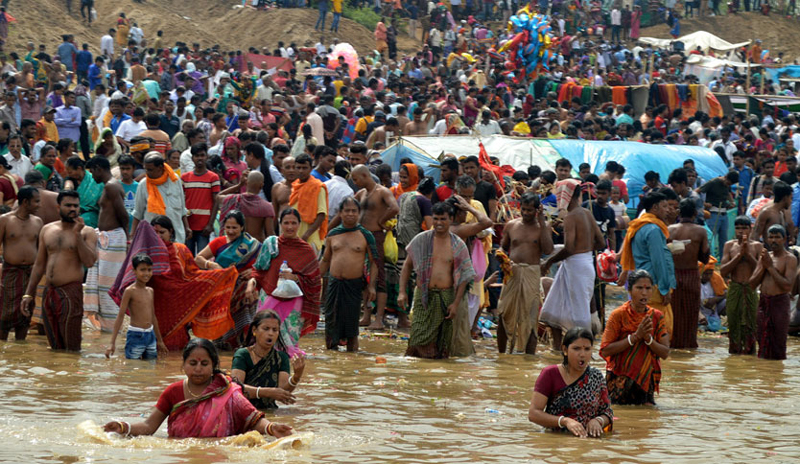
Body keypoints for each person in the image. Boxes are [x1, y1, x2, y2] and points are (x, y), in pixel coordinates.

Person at [103, 338, 293, 438]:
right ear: (183, 365)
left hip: (220, 454)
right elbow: (148, 426)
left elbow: (251, 419)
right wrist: (122, 426)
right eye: (193, 363)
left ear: (213, 365)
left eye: (204, 363)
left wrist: (271, 428)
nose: (198, 369)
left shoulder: (227, 390)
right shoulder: (173, 392)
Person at [110, 216, 238, 350]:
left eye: (162, 232)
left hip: (178, 307)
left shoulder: (181, 250)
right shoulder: (145, 253)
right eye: (155, 233)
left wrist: (217, 275)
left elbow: (192, 275)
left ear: (171, 232)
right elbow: (132, 276)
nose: (159, 236)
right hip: (156, 304)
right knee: (150, 349)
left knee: (176, 349)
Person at [22, 190, 97, 351]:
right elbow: (39, 264)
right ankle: (59, 374)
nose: (73, 209)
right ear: (58, 207)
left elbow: (89, 262)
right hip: (49, 292)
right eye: (68, 205)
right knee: (54, 345)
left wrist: (77, 235)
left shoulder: (87, 232)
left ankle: (71, 374)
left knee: (72, 346)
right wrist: (29, 294)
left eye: (76, 206)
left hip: (70, 292)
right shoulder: (47, 229)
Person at [399, 202, 476, 359]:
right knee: (417, 339)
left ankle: (434, 377)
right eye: (436, 219)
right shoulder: (421, 240)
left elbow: (464, 277)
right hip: (423, 297)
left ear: (451, 219)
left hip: (446, 298)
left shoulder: (458, 245)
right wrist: (402, 292)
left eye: (443, 219)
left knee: (440, 344)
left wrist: (455, 304)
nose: (439, 223)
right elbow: (407, 266)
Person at [246, 208, 322, 355]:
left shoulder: (305, 250)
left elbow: (314, 281)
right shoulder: (271, 244)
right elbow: (258, 270)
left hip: (293, 303)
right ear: (280, 224)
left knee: (288, 344)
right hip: (269, 297)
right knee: (262, 339)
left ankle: (286, 374)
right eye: (286, 223)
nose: (290, 227)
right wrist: (251, 285)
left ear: (299, 224)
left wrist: (295, 278)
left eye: (293, 223)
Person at [540, 179, 604, 347]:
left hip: (576, 267)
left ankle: (584, 349)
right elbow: (601, 243)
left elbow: (569, 248)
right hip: (584, 263)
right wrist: (585, 249)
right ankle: (557, 349)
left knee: (579, 314)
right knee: (552, 309)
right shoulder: (587, 213)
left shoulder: (570, 217)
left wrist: (548, 262)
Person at [600, 270, 671, 405]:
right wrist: (634, 337)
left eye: (648, 288)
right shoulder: (618, 315)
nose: (644, 293)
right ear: (630, 290)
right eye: (639, 288)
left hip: (645, 379)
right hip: (620, 379)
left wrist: (648, 339)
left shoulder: (656, 316)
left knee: (647, 419)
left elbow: (665, 352)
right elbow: (605, 350)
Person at [528, 327, 613, 437]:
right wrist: (565, 421)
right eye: (576, 349)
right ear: (565, 350)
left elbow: (607, 412)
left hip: (588, 441)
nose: (582, 354)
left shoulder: (596, 376)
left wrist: (598, 421)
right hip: (557, 439)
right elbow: (533, 414)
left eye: (587, 349)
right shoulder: (550, 374)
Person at [195, 210, 261, 349]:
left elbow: (262, 266)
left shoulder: (252, 244)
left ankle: (246, 342)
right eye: (228, 227)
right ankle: (222, 342)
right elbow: (198, 258)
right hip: (222, 289)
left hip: (244, 287)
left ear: (242, 227)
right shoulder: (219, 242)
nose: (230, 231)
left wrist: (252, 271)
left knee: (247, 299)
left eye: (234, 228)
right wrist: (211, 264)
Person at [320, 197, 379, 352]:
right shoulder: (333, 234)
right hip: (334, 285)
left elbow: (374, 263)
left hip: (353, 286)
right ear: (340, 213)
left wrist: (372, 287)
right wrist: (313, 281)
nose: (350, 214)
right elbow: (325, 260)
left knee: (352, 328)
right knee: (331, 325)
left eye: (354, 211)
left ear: (359, 213)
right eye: (347, 211)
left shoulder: (366, 235)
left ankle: (352, 357)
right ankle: (332, 358)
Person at [497, 193, 553, 354]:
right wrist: (500, 255)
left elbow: (548, 250)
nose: (526, 213)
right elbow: (503, 246)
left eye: (530, 210)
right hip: (512, 272)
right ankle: (501, 355)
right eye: (524, 209)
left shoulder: (544, 226)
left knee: (530, 317)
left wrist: (542, 221)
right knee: (503, 313)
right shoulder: (512, 225)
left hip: (532, 272)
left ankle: (528, 357)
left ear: (537, 210)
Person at [350, 164, 399, 329]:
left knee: (379, 278)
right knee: (364, 277)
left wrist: (381, 221)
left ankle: (379, 318)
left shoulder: (382, 192)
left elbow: (395, 208)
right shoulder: (362, 193)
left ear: (364, 175)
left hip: (376, 236)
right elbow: (349, 205)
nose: (355, 182)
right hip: (361, 237)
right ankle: (366, 316)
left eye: (356, 179)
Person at [618, 192, 676, 334]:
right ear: (655, 208)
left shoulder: (639, 226)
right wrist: (664, 288)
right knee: (661, 328)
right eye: (665, 206)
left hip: (641, 279)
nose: (668, 210)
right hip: (654, 283)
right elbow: (658, 261)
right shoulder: (654, 229)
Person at [84, 157, 129, 331]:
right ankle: (106, 325)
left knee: (108, 285)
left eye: (91, 171)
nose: (91, 175)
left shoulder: (111, 186)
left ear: (97, 168)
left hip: (114, 239)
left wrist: (126, 237)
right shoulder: (110, 185)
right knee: (104, 284)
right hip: (109, 239)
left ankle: (111, 326)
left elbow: (123, 214)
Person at [231, 310, 306, 409]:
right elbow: (236, 389)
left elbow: (282, 392)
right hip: (243, 410)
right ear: (254, 330)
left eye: (275, 330)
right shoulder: (243, 354)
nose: (270, 333)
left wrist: (296, 377)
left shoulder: (281, 358)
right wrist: (267, 392)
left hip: (269, 410)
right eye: (266, 329)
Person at [106, 253, 168, 359]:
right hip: (135, 335)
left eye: (149, 270)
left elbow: (153, 316)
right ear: (134, 271)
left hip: (150, 335)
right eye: (142, 270)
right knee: (132, 367)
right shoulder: (130, 291)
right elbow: (120, 316)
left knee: (150, 368)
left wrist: (160, 341)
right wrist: (112, 343)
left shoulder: (150, 291)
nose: (146, 273)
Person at [748, 224, 796, 360]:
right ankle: (764, 375)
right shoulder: (765, 257)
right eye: (771, 237)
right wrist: (764, 266)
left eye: (777, 237)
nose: (773, 240)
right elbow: (752, 284)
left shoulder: (789, 259)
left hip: (779, 303)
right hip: (763, 303)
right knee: (761, 339)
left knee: (778, 343)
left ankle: (776, 374)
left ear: (784, 239)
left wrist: (770, 267)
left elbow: (787, 286)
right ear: (766, 239)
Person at [0, 186, 42, 341]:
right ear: (25, 202)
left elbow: (40, 251)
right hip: (10, 274)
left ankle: (20, 349)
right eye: (36, 201)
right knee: (4, 316)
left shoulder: (38, 222)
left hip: (30, 275)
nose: (39, 205)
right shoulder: (5, 220)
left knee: (26, 313)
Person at [667, 199, 710, 349]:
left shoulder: (670, 229)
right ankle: (689, 346)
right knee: (691, 314)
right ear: (695, 213)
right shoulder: (700, 231)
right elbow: (705, 257)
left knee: (674, 312)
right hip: (691, 275)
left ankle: (673, 344)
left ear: (679, 212)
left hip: (673, 274)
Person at [720, 216, 763, 354]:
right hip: (735, 288)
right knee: (733, 323)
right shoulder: (729, 245)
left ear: (750, 229)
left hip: (750, 288)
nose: (741, 231)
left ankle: (749, 355)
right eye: (738, 228)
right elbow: (723, 271)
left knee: (751, 324)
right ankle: (734, 354)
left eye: (744, 228)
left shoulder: (757, 246)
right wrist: (739, 256)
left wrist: (748, 255)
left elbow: (761, 269)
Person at [132, 152, 191, 244]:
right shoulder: (143, 184)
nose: (147, 173)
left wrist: (187, 227)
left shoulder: (175, 180)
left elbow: (182, 208)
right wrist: (133, 236)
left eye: (150, 170)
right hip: (153, 238)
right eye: (146, 170)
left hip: (176, 236)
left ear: (160, 168)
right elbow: (137, 214)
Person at [181, 144, 220, 255]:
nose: (199, 158)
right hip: (189, 225)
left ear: (206, 156)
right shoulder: (185, 177)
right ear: (192, 158)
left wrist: (210, 224)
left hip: (204, 226)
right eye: (197, 155)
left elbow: (216, 202)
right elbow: (181, 201)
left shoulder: (213, 177)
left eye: (202, 155)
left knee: (202, 259)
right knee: (189, 258)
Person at [218, 171, 275, 242]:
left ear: (246, 183)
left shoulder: (234, 199)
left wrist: (239, 185)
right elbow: (270, 234)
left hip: (235, 247)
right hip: (256, 248)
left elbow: (218, 196)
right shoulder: (267, 206)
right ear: (261, 185)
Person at [289, 154, 328, 252]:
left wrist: (306, 235)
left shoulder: (318, 187)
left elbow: (321, 214)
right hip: (294, 238)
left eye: (304, 168)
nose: (301, 171)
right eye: (298, 168)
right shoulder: (295, 186)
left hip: (309, 240)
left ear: (311, 169)